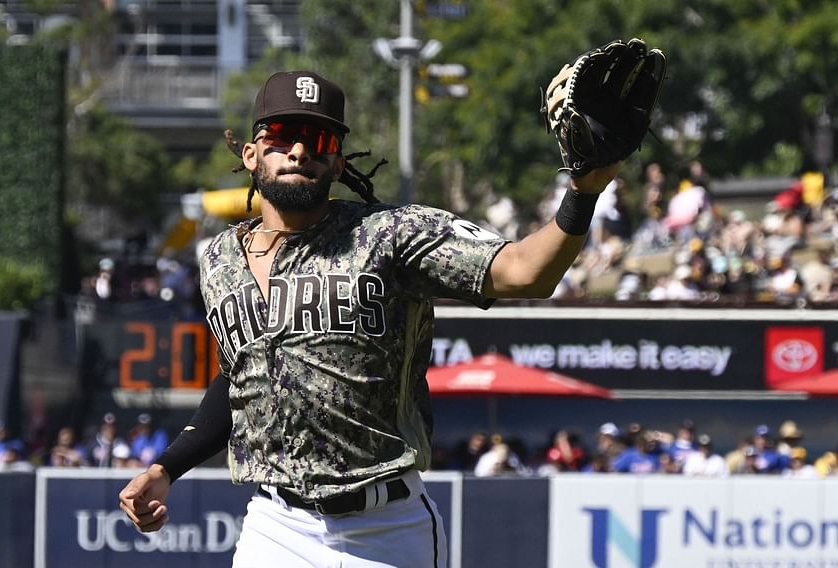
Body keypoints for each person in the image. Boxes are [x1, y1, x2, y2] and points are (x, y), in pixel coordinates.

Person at [118, 69, 622, 568]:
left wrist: (583, 192)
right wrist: (167, 468)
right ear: (251, 153)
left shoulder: (391, 235)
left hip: (386, 528)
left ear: (337, 162)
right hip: (275, 526)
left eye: (318, 139)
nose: (299, 151)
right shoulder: (219, 259)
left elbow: (525, 271)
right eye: (281, 136)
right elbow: (240, 376)